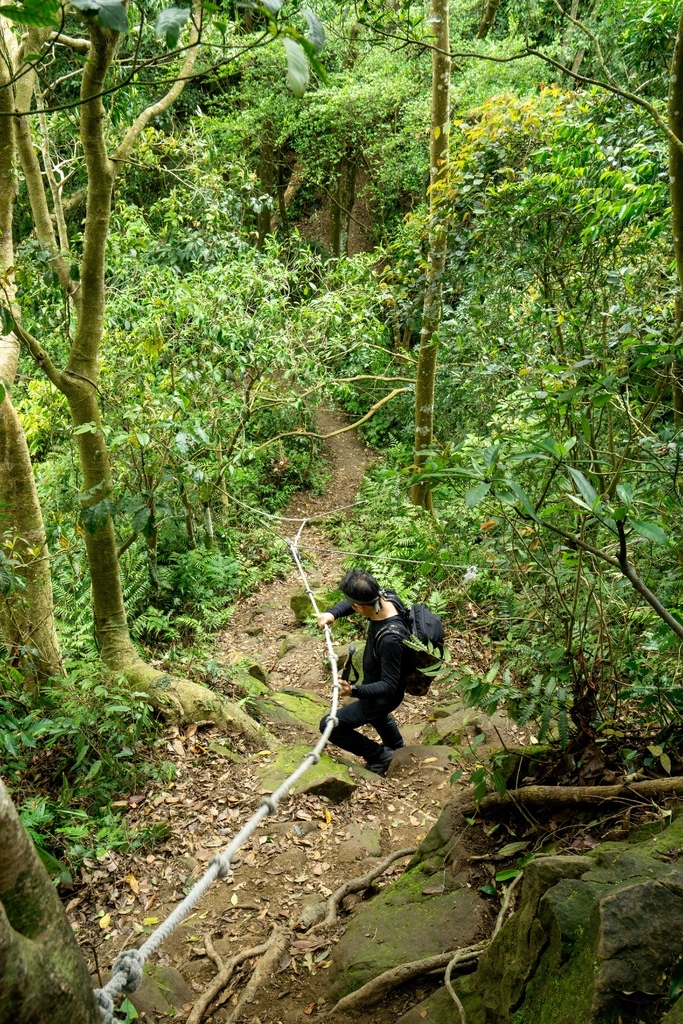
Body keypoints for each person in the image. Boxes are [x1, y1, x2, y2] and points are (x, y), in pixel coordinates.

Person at [317, 568, 412, 776]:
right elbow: (354, 604)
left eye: (352, 605)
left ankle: (379, 756)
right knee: (377, 717)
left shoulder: (390, 639)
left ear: (359, 607)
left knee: (329, 726)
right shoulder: (387, 598)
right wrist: (333, 613)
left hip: (382, 695)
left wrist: (354, 690)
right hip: (379, 689)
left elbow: (388, 685)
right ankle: (397, 748)